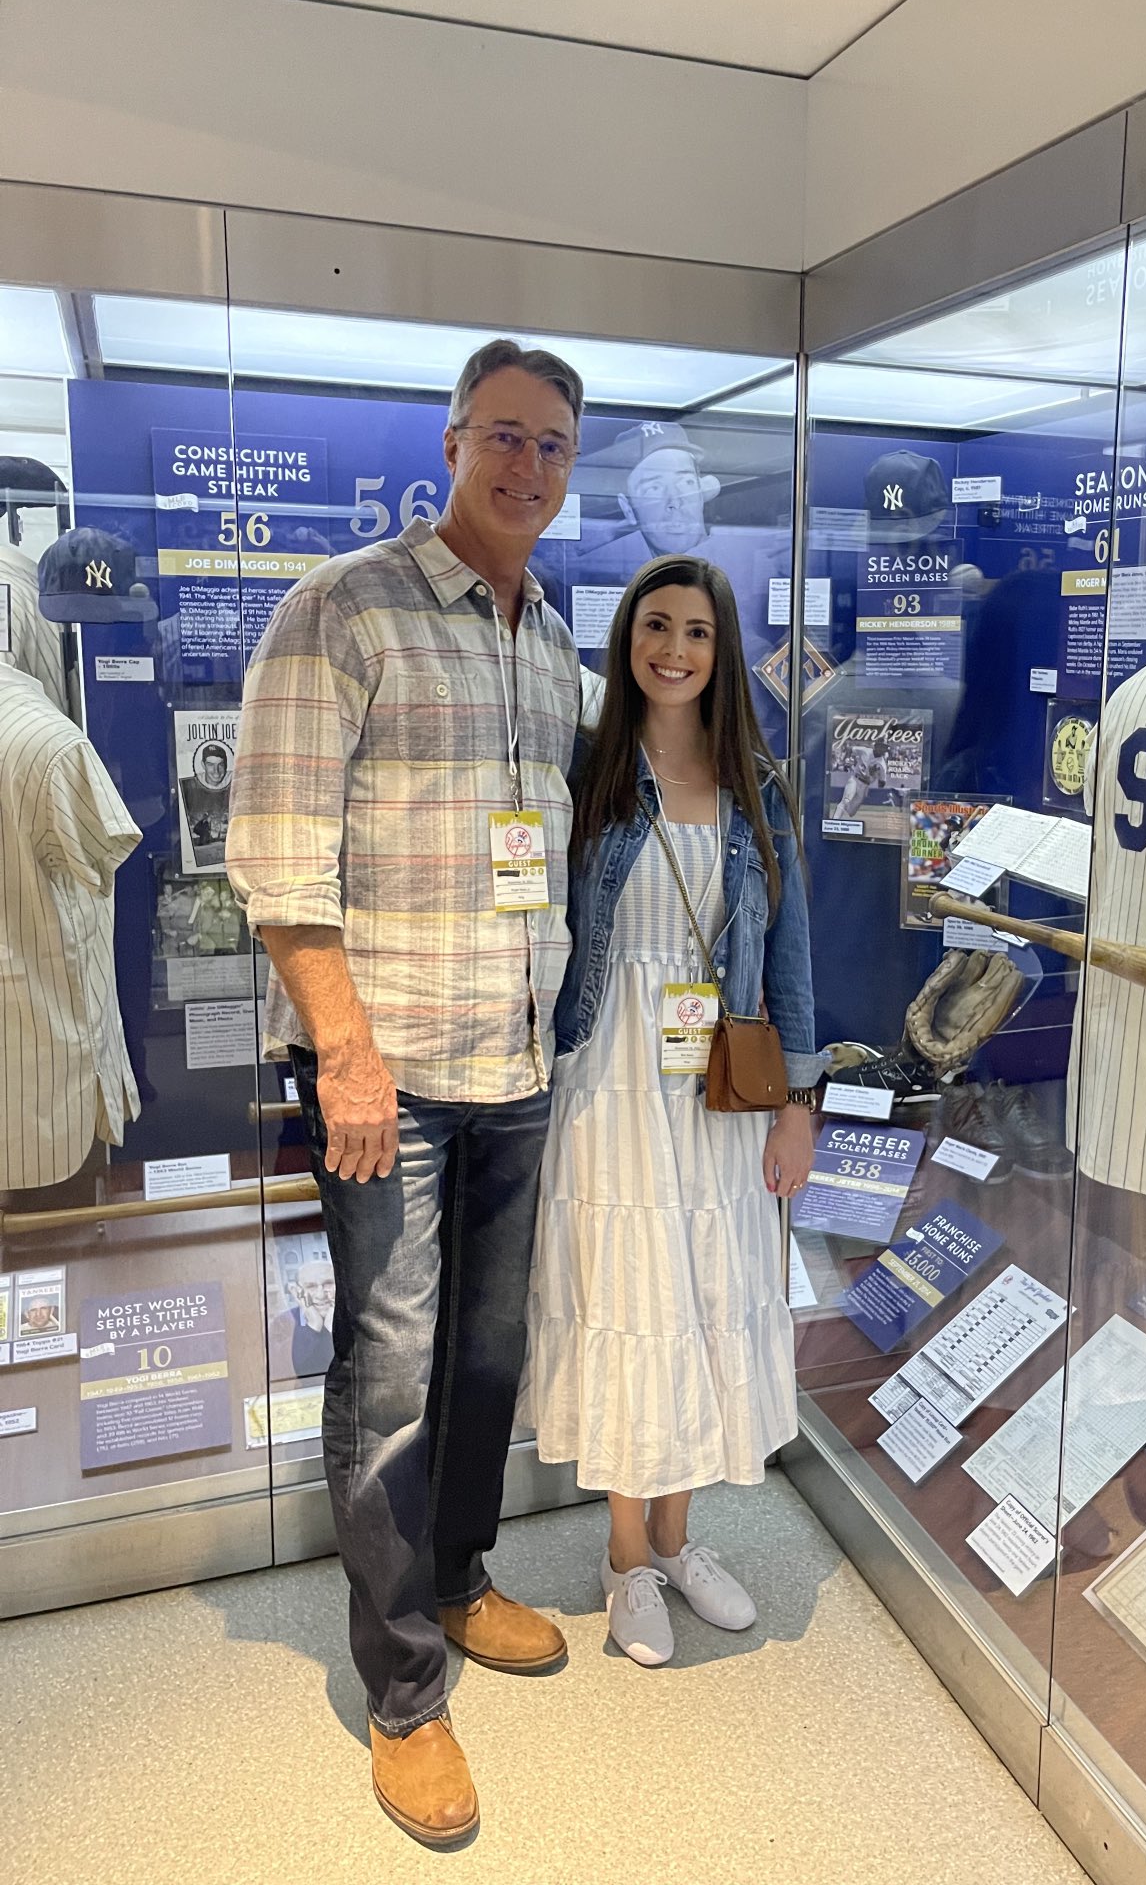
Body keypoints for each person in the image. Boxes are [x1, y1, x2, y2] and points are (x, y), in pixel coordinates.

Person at [227, 338, 588, 1847]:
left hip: (516, 1057)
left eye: (554, 447)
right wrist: (346, 1052)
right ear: (451, 440)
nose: (526, 466)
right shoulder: (344, 610)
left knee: (485, 1355)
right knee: (387, 1372)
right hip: (394, 1075)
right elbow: (275, 853)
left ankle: (457, 1576)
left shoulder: (552, 635)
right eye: (503, 436)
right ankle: (404, 1695)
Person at [527, 554, 821, 1668]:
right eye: (657, 625)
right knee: (625, 1295)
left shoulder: (761, 785)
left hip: (720, 1081)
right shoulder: (589, 769)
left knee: (708, 1293)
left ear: (723, 648)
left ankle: (683, 1537)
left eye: (698, 631)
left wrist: (797, 1102)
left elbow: (788, 958)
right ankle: (624, 1555)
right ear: (628, 637)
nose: (676, 649)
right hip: (609, 1076)